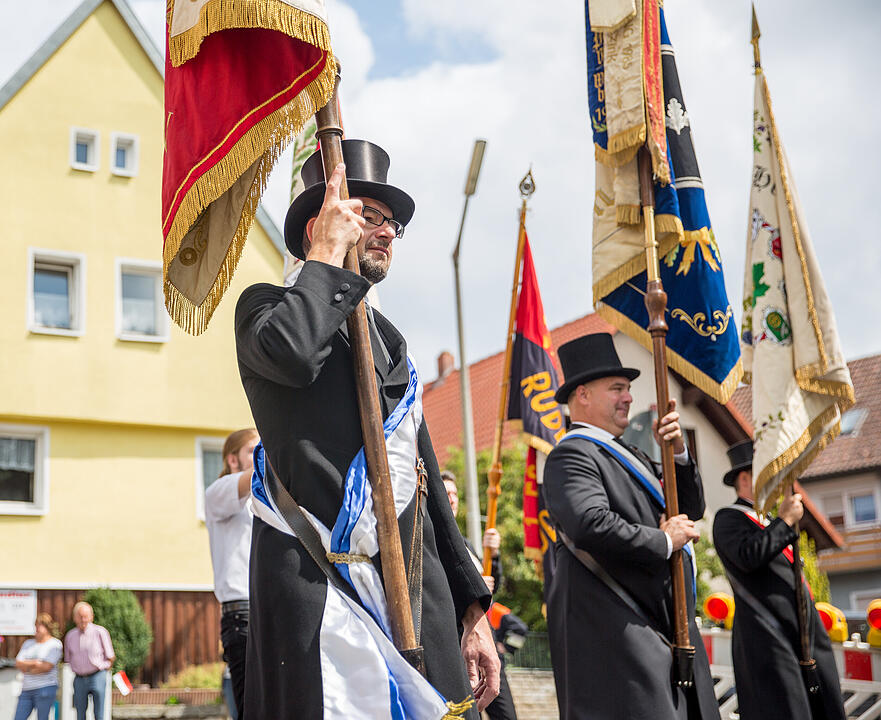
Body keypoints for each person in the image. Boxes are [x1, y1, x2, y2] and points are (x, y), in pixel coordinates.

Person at [235, 140, 499, 719]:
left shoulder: (391, 341)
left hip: (415, 589)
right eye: (368, 216)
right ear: (318, 225)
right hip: (318, 592)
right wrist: (329, 253)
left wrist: (472, 610)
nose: (386, 232)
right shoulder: (264, 307)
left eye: (392, 223)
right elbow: (293, 354)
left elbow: (425, 488)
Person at [542, 333, 719, 720]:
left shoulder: (629, 453)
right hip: (624, 638)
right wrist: (663, 540)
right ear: (583, 395)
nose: (628, 398)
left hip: (662, 630)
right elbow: (590, 524)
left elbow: (689, 509)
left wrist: (677, 453)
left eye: (628, 389)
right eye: (617, 388)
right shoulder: (572, 454)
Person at [712, 440, 846, 720]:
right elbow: (749, 557)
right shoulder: (729, 519)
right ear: (746, 478)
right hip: (768, 637)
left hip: (800, 632)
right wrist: (784, 523)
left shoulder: (767, 520)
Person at [442, 472, 518, 720]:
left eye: (455, 494)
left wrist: (493, 556)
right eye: (446, 494)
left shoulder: (467, 546)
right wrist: (472, 588)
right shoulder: (432, 545)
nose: (452, 499)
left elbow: (494, 588)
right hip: (458, 648)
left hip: (488, 648)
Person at [204, 428, 259, 720]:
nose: (261, 454)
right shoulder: (218, 492)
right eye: (253, 450)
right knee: (250, 708)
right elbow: (260, 472)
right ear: (233, 460)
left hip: (270, 611)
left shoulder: (264, 501)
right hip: (243, 615)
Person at [64, 601, 114, 720]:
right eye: (80, 616)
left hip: (97, 675)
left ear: (91, 616)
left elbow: (110, 656)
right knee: (80, 713)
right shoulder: (70, 636)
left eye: (85, 616)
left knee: (99, 713)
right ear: (75, 618)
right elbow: (67, 658)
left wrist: (105, 669)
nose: (83, 619)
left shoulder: (100, 632)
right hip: (79, 678)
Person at [14, 613, 62, 720]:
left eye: (39, 626)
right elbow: (18, 663)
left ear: (46, 627)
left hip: (45, 688)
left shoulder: (54, 644)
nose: (36, 629)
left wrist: (26, 667)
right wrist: (35, 663)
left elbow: (46, 667)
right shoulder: (28, 643)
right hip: (26, 689)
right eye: (35, 625)